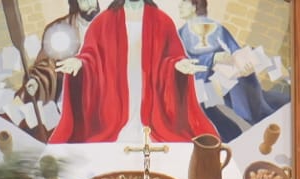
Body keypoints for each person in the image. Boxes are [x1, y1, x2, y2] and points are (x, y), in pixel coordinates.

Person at [50, 0, 216, 144]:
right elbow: (91, 54)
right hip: (115, 95)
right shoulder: (102, 21)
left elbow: (172, 54)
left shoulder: (162, 21)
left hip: (150, 92)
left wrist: (178, 64)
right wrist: (80, 62)